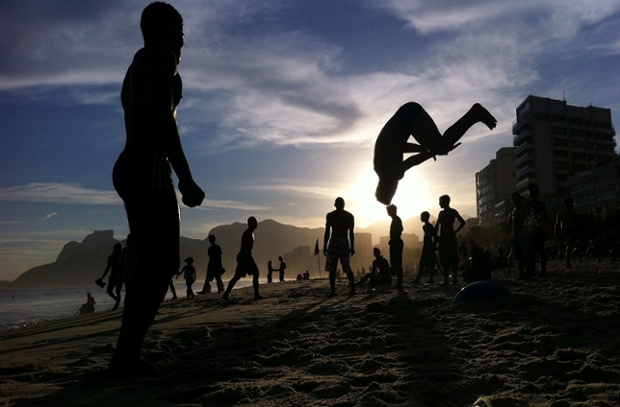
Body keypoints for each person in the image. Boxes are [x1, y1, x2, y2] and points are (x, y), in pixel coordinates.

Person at [110, 2, 205, 375]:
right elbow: (161, 122)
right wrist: (185, 177)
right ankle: (126, 357)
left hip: (133, 166)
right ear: (166, 33)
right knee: (160, 263)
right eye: (181, 33)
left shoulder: (137, 66)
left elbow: (151, 114)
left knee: (152, 263)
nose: (183, 43)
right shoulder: (161, 58)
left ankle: (126, 354)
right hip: (148, 166)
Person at [374, 102, 497, 205]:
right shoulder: (381, 167)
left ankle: (475, 113)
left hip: (407, 117)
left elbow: (410, 162)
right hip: (407, 114)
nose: (395, 190)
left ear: (389, 189)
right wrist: (423, 150)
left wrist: (432, 152)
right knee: (440, 146)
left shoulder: (389, 175)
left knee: (441, 146)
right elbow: (398, 146)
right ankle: (476, 116)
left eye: (392, 192)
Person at [222, 217, 264, 302]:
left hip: (245, 256)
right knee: (252, 273)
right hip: (245, 257)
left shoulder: (251, 233)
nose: (256, 224)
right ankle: (256, 295)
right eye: (255, 222)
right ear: (250, 223)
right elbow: (244, 248)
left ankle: (226, 294)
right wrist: (243, 261)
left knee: (238, 276)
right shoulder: (247, 234)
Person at [323, 197, 356, 296]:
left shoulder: (330, 215)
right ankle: (353, 289)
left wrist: (325, 245)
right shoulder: (349, 216)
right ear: (344, 205)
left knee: (332, 268)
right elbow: (351, 233)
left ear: (335, 205)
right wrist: (352, 246)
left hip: (334, 242)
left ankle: (333, 291)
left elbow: (327, 232)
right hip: (344, 242)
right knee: (346, 266)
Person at [435, 195, 465, 286]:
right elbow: (462, 222)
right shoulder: (451, 212)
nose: (439, 203)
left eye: (440, 201)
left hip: (446, 238)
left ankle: (448, 281)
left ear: (445, 202)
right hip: (448, 237)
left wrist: (435, 236)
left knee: (448, 259)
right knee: (449, 259)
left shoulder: (444, 213)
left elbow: (437, 226)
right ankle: (451, 281)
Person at [525, 183, 549, 277]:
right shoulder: (541, 205)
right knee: (540, 251)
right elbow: (545, 218)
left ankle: (533, 271)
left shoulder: (527, 204)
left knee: (533, 252)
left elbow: (525, 218)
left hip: (532, 230)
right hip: (538, 230)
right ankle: (542, 271)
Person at [507, 192, 531, 280]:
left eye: (514, 199)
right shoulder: (515, 209)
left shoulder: (522, 209)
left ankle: (525, 273)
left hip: (521, 232)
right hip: (516, 232)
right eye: (512, 199)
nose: (513, 201)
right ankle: (522, 273)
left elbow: (525, 220)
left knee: (524, 254)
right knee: (519, 255)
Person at [414, 211, 439, 284]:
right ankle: (420, 278)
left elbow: (433, 235)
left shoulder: (428, 226)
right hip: (428, 245)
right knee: (425, 262)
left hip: (428, 245)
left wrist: (434, 245)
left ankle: (420, 279)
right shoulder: (425, 226)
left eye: (421, 216)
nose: (420, 218)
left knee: (425, 262)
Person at [98, 243, 123, 310]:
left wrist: (102, 277)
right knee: (113, 291)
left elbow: (108, 268)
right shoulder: (115, 257)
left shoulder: (119, 257)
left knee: (114, 291)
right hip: (116, 276)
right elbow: (108, 268)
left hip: (118, 276)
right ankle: (117, 302)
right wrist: (102, 277)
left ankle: (117, 304)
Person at [555, 197, 577, 269]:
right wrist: (556, 232)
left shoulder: (573, 212)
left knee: (571, 245)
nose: (572, 205)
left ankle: (567, 259)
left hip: (572, 230)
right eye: (571, 203)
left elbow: (576, 221)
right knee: (569, 243)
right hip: (565, 230)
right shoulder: (561, 212)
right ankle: (567, 261)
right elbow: (557, 223)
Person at [387, 204, 404, 289]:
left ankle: (399, 283)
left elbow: (398, 232)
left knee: (397, 263)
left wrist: (393, 240)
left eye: (388, 211)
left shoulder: (396, 220)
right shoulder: (395, 220)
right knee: (396, 263)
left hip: (396, 243)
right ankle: (399, 282)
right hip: (395, 242)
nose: (387, 212)